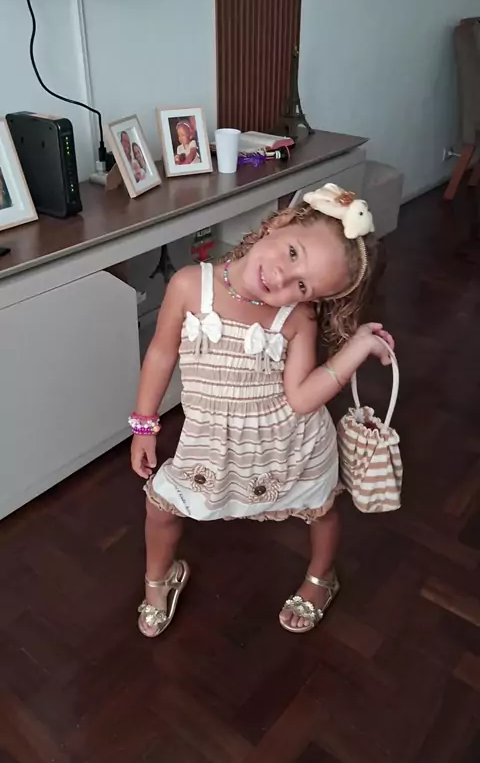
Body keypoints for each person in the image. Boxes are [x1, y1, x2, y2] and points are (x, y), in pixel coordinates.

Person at [130, 184, 394, 638]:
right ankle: (160, 577)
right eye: (292, 254)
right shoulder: (190, 285)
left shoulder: (297, 317)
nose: (283, 280)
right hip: (211, 444)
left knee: (320, 511)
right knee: (162, 507)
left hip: (290, 446)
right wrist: (144, 424)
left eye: (303, 285)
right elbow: (160, 353)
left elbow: (301, 399)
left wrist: (356, 350)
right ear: (279, 224)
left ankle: (322, 577)